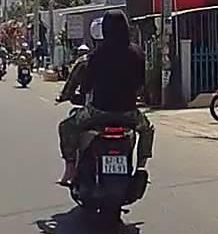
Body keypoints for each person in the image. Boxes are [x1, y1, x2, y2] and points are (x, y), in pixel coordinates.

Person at [55, 10, 154, 185]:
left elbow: (86, 85)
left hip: (98, 112)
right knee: (147, 129)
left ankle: (70, 169)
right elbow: (141, 82)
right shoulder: (137, 53)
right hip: (129, 114)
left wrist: (81, 93)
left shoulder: (96, 55)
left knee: (66, 126)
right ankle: (141, 167)